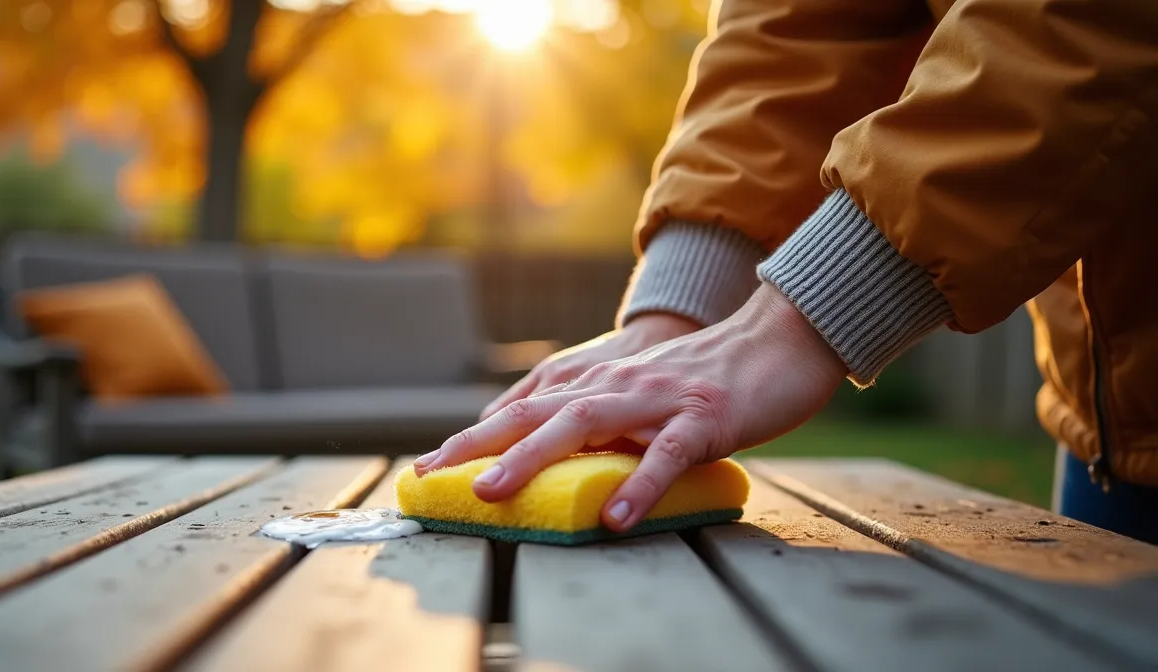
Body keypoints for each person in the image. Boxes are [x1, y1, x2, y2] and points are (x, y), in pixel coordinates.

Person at [415, 0, 1158, 543]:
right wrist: (673, 312)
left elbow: (1083, 26)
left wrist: (800, 322)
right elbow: (797, 30)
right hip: (1111, 428)